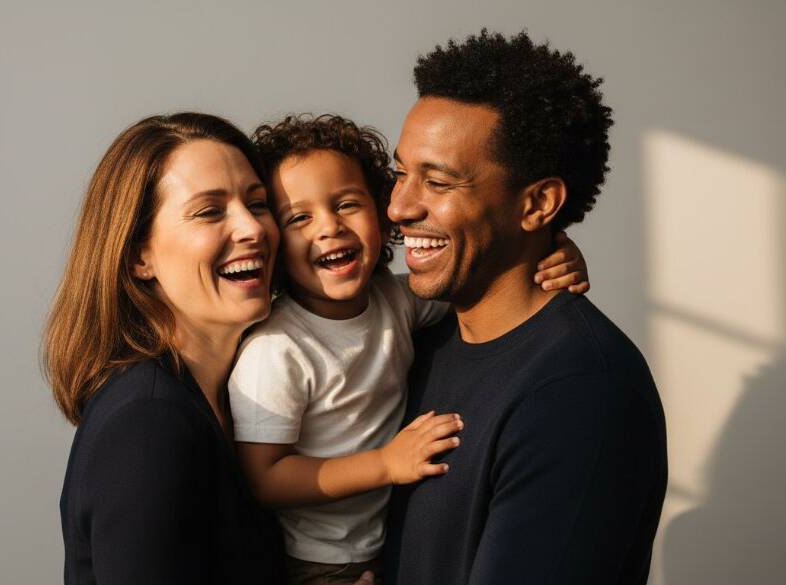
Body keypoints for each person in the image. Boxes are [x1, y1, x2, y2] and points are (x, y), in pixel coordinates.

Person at [227, 114, 591, 585]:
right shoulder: (277, 349)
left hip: (386, 544)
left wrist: (552, 255)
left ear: (382, 213)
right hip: (320, 563)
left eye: (347, 204)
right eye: (299, 218)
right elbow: (265, 478)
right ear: (273, 242)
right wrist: (384, 464)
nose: (329, 228)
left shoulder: (395, 300)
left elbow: (482, 285)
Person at [383, 31, 668, 585]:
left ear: (537, 204)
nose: (399, 206)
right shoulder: (417, 336)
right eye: (400, 173)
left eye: (437, 181)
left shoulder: (582, 389)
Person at [43, 113, 288, 584]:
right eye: (210, 211)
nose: (253, 229)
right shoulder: (149, 424)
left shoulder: (230, 404)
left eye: (257, 204)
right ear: (139, 255)